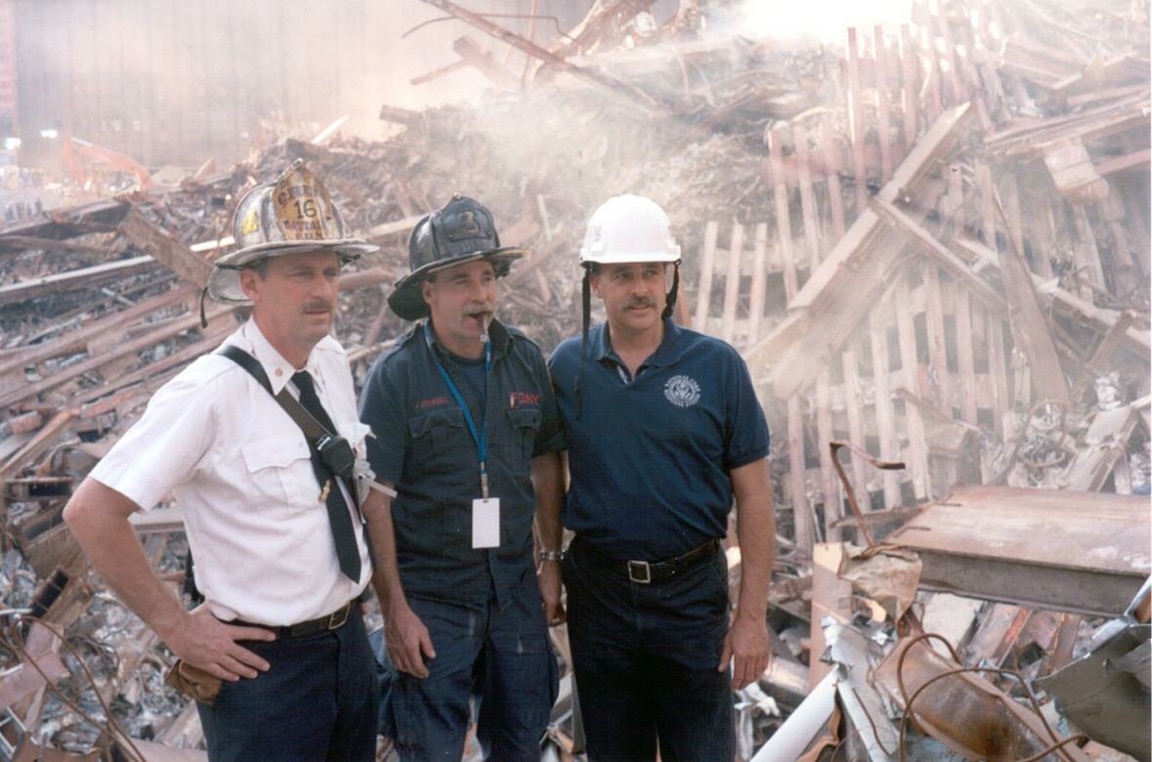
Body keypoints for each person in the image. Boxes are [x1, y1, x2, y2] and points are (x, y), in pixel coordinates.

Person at [62, 160, 380, 761]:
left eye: (331, 272)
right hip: (264, 670)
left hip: (348, 647)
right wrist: (177, 629)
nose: (322, 289)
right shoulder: (208, 394)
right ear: (251, 284)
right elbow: (91, 513)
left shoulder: (331, 360)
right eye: (299, 273)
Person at [548, 194, 776, 761]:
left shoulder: (716, 367)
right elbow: (545, 475)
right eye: (622, 275)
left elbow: (754, 498)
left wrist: (750, 619)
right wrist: (549, 565)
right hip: (599, 596)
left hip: (691, 595)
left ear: (671, 276)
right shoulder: (566, 368)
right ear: (595, 282)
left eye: (653, 271)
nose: (641, 288)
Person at [358, 194, 564, 760]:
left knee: (522, 744)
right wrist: (395, 611)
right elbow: (374, 501)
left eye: (487, 277)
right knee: (429, 750)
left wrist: (550, 565)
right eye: (460, 281)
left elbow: (547, 460)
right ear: (428, 292)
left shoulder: (524, 359)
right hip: (433, 602)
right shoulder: (396, 378)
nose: (481, 295)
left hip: (516, 594)